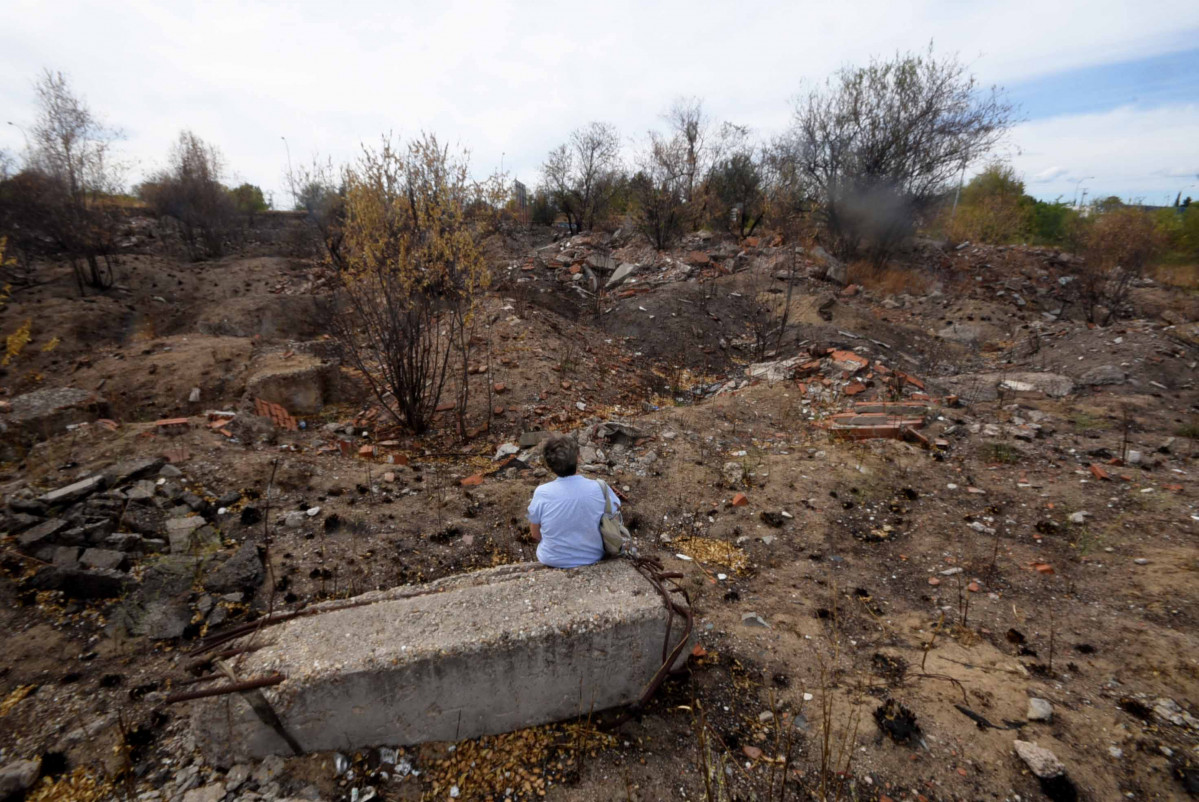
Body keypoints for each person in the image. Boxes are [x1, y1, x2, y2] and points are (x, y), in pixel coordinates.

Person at [526, 434, 617, 568]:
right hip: (593, 556)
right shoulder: (600, 487)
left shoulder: (541, 492)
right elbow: (614, 512)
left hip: (551, 559)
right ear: (578, 458)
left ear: (548, 464)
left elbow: (535, 534)